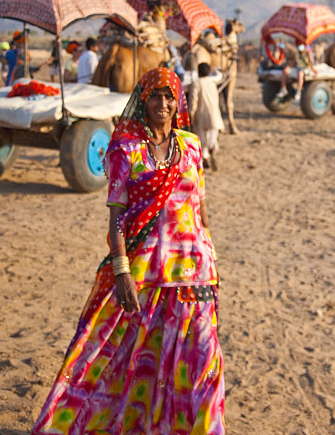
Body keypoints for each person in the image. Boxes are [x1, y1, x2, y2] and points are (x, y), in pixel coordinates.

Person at [31, 67, 224, 434]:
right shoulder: (126, 149)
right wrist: (121, 271)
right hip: (143, 273)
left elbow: (200, 208)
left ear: (178, 100)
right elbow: (116, 216)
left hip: (194, 271)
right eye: (155, 95)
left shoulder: (193, 145)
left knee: (200, 359)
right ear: (143, 100)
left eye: (169, 96)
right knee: (124, 357)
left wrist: (211, 256)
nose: (163, 104)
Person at [190, 62, 225, 170]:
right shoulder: (212, 81)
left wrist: (191, 114)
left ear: (198, 72)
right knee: (212, 137)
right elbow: (220, 76)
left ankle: (205, 157)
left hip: (202, 115)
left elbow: (193, 100)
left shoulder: (196, 83)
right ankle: (212, 148)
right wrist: (218, 70)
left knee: (201, 138)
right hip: (214, 115)